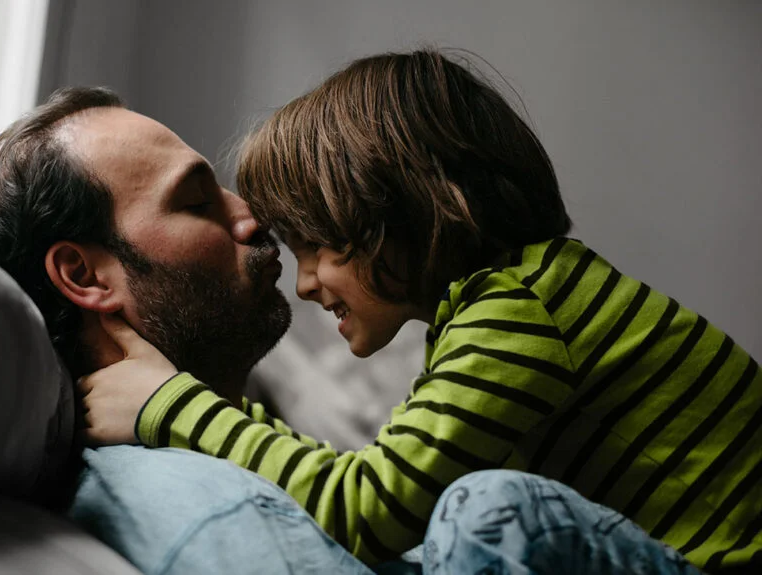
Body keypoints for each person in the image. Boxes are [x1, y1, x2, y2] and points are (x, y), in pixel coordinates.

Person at [80, 49, 761, 573]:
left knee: (487, 511)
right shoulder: (504, 305)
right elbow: (378, 483)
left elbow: (368, 505)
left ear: (402, 215)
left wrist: (172, 405)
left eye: (317, 245)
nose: (307, 282)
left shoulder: (518, 310)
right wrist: (203, 405)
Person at [0, 87, 372, 574]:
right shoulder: (215, 513)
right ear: (85, 276)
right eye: (196, 202)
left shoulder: (260, 455)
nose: (255, 221)